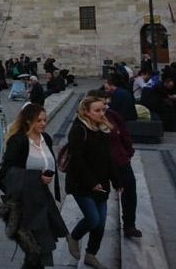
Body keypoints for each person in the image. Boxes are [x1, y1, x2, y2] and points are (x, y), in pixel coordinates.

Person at [0, 103, 68, 268]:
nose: (43, 123)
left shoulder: (46, 138)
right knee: (34, 251)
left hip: (43, 202)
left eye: (45, 120)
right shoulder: (18, 141)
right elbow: (6, 174)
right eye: (38, 120)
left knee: (40, 250)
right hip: (24, 205)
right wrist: (36, 178)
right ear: (28, 121)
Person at [65, 97, 122, 269]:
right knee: (93, 219)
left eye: (102, 110)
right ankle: (73, 237)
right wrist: (92, 183)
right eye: (96, 110)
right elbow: (77, 159)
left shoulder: (102, 129)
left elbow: (108, 158)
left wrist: (116, 180)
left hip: (102, 183)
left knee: (101, 223)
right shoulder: (78, 130)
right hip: (81, 184)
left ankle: (91, 254)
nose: (101, 113)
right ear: (86, 112)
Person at [93, 90, 141, 239]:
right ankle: (93, 227)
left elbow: (124, 134)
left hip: (119, 159)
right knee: (99, 196)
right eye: (101, 105)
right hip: (100, 163)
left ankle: (129, 225)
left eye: (106, 104)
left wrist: (128, 151)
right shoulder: (87, 121)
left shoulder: (113, 116)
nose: (104, 108)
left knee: (130, 188)